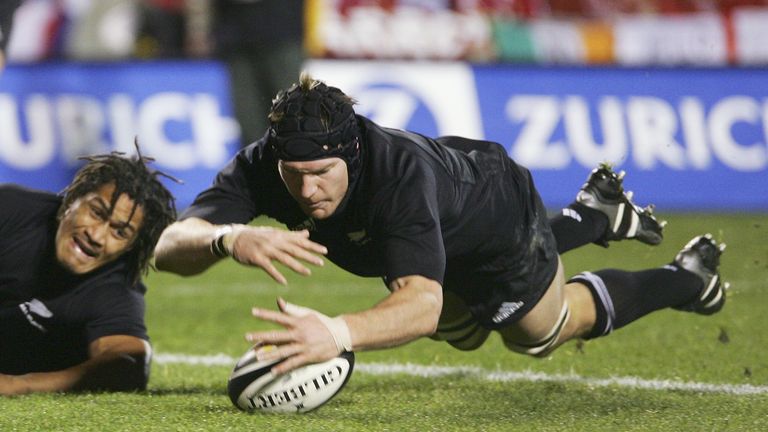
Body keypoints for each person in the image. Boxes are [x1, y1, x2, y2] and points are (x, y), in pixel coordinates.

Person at [154, 73, 727, 376]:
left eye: (321, 173)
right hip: (442, 219)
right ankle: (593, 215)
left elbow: (419, 303)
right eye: (292, 174)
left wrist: (336, 333)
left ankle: (689, 279)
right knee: (462, 331)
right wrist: (226, 237)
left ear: (351, 155)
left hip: (495, 211)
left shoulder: (396, 177)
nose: (306, 191)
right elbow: (168, 247)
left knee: (539, 334)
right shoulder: (262, 167)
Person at [0, 147, 177, 395]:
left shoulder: (114, 290)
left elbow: (128, 365)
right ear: (72, 201)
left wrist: (17, 384)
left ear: (128, 248)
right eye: (96, 212)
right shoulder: (12, 211)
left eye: (119, 232)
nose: (96, 235)